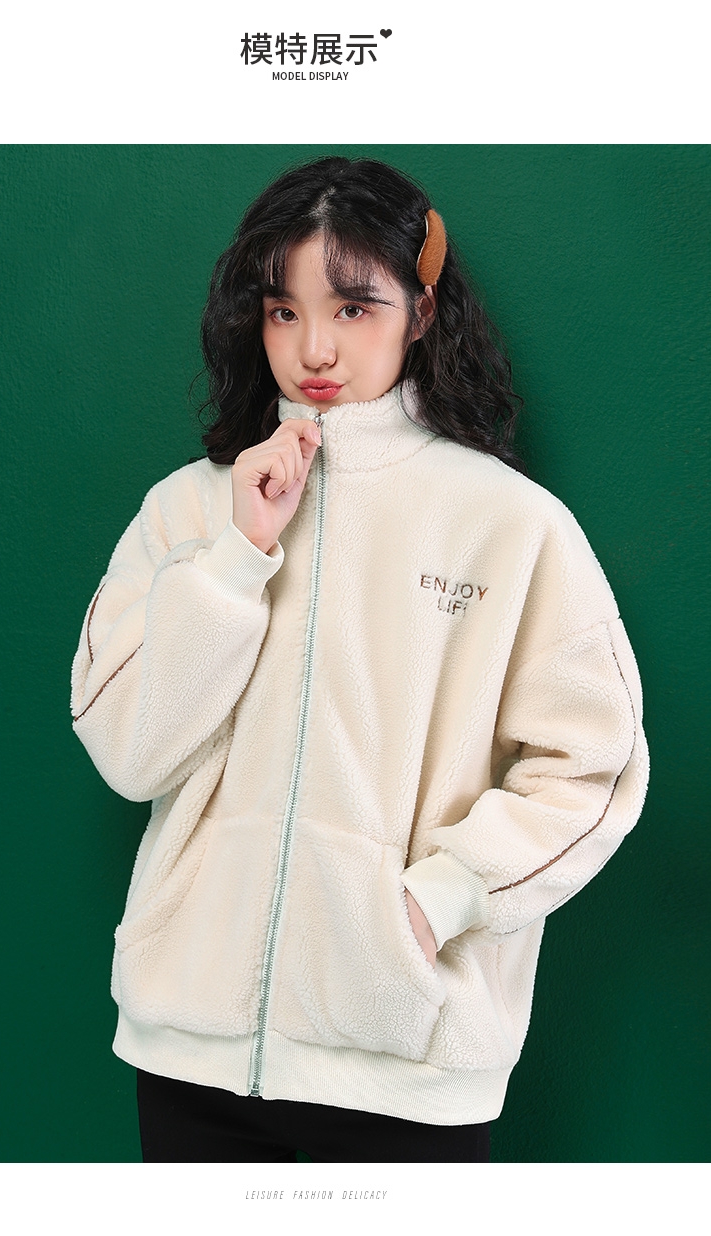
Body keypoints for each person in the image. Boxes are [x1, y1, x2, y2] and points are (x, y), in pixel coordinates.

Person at [71, 156, 648, 1162]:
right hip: (190, 1059)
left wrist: (437, 902)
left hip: (407, 1064)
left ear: (420, 313)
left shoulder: (511, 526)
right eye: (282, 311)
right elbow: (128, 751)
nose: (314, 348)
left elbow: (592, 768)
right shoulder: (188, 510)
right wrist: (236, 560)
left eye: (352, 307)